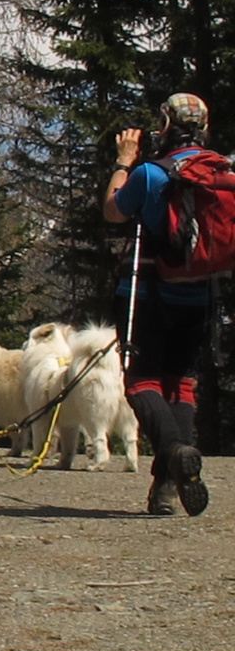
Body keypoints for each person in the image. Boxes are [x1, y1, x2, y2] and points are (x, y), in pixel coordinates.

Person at [103, 92, 212, 516]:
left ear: (165, 126)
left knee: (142, 382)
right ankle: (165, 490)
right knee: (180, 383)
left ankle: (174, 450)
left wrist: (123, 161)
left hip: (147, 292)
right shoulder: (221, 172)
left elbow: (114, 212)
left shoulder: (151, 174)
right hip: (200, 292)